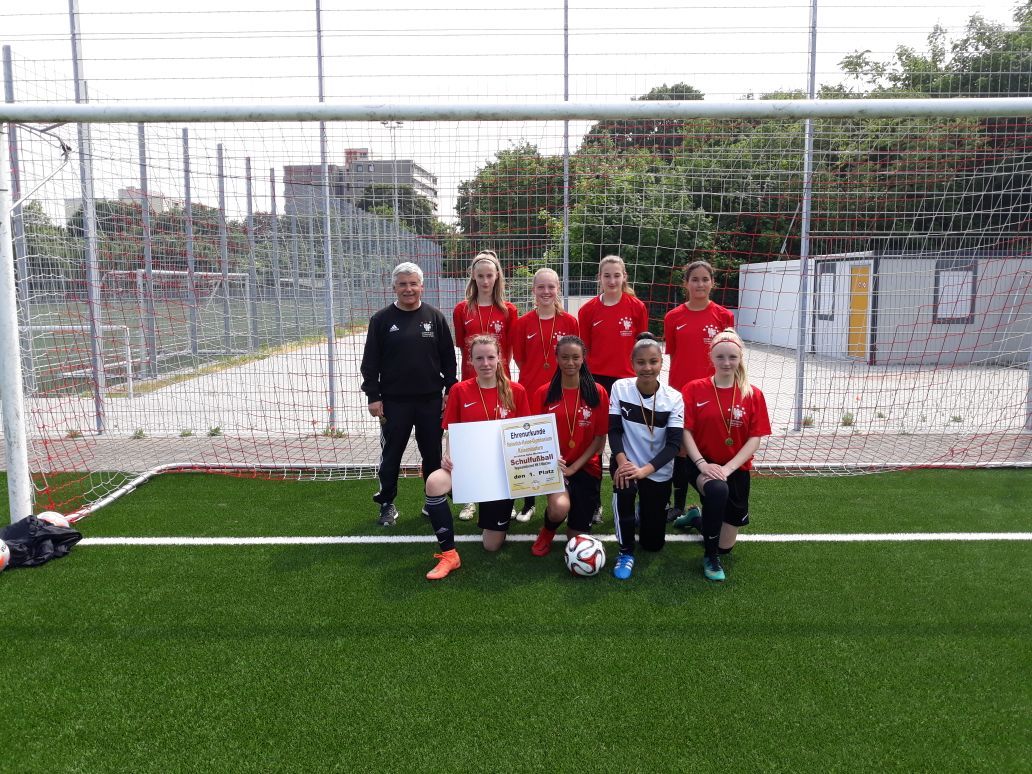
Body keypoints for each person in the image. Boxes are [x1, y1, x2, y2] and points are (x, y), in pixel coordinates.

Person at [422, 335, 531, 580]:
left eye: (490, 357)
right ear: (470, 360)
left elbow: (525, 435)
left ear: (500, 358)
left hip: (500, 475)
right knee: (434, 482)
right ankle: (449, 555)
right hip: (468, 467)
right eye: (479, 358)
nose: (485, 363)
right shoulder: (459, 390)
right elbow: (452, 431)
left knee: (491, 545)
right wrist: (448, 455)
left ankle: (493, 511)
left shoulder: (516, 391)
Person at [360, 262, 457, 527]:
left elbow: (448, 358)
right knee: (392, 455)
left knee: (432, 454)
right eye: (402, 284)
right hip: (394, 402)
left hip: (430, 401)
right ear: (394, 287)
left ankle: (432, 500)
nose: (408, 289)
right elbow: (370, 362)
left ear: (421, 286)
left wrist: (450, 390)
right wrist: (373, 396)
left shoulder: (435, 317)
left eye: (413, 283)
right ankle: (387, 504)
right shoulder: (381, 320)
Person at [680, 328, 772, 582]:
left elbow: (755, 438)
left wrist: (728, 468)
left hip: (735, 469)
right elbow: (685, 431)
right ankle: (710, 558)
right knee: (718, 490)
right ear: (711, 357)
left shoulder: (752, 394)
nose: (726, 362)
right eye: (720, 356)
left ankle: (696, 519)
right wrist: (701, 464)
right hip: (701, 464)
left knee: (726, 546)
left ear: (740, 358)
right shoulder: (694, 389)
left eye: (732, 357)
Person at [576, 254, 649, 524]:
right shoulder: (587, 311)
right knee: (595, 444)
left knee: (628, 444)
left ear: (624, 277)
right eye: (607, 275)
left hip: (628, 385)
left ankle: (626, 500)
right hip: (596, 383)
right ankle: (593, 504)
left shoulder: (636, 307)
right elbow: (583, 353)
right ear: (599, 278)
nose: (612, 280)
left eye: (616, 275)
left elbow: (643, 350)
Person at [663, 260, 735, 527]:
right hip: (681, 394)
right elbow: (674, 355)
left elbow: (730, 356)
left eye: (705, 279)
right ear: (686, 284)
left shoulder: (724, 316)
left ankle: (712, 502)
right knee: (680, 449)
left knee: (710, 445)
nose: (700, 284)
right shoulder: (673, 317)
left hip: (714, 393)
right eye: (695, 279)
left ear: (713, 283)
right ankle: (678, 506)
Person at [607, 332, 684, 580]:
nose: (647, 367)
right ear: (632, 363)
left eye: (653, 361)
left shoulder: (674, 398)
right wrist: (623, 463)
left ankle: (644, 512)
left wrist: (644, 471)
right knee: (624, 488)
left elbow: (673, 446)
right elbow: (614, 430)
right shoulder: (620, 388)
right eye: (641, 362)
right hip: (626, 463)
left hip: (656, 469)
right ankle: (625, 551)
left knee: (653, 544)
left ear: (661, 363)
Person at [452, 250, 520, 522]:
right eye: (480, 276)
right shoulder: (461, 309)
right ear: (473, 277)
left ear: (497, 276)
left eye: (489, 275)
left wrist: (503, 378)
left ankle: (505, 498)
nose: (485, 281)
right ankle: (470, 498)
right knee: (470, 442)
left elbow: (509, 349)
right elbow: (462, 346)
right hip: (471, 383)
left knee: (501, 441)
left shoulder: (509, 310)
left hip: (500, 382)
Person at [528, 336, 608, 556]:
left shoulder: (597, 392)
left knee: (576, 539)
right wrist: (552, 461)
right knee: (559, 508)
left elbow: (599, 439)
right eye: (564, 357)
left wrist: (574, 467)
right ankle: (547, 531)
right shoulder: (544, 393)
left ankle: (575, 522)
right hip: (555, 466)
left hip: (586, 466)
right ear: (556, 358)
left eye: (575, 357)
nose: (570, 362)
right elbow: (534, 437)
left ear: (583, 358)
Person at [512, 268, 579, 524]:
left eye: (551, 287)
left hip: (560, 394)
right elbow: (520, 359)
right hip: (530, 394)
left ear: (558, 289)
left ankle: (570, 498)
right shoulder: (522, 323)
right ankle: (528, 503)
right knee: (530, 451)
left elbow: (574, 359)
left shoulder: (570, 322)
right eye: (541, 287)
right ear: (533, 290)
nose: (546, 292)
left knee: (562, 445)